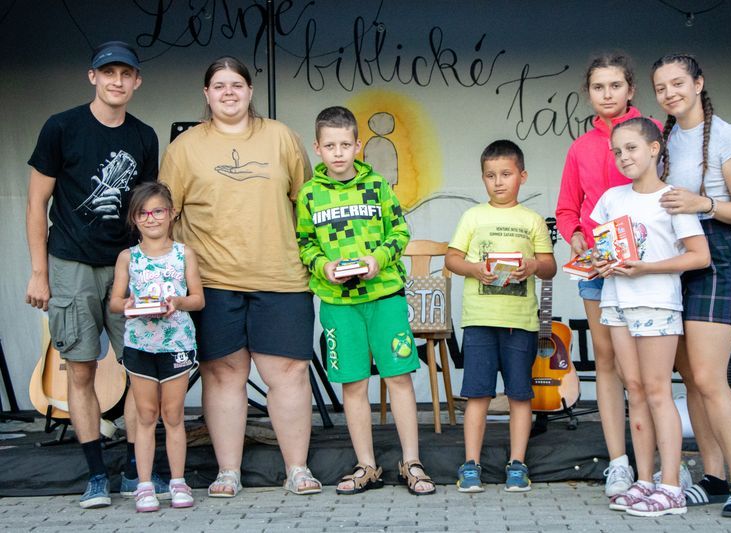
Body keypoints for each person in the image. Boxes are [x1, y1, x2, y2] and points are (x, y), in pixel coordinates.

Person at [158, 56, 320, 497]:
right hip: (212, 280)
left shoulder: (281, 137)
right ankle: (227, 472)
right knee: (224, 374)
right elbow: (166, 216)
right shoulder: (184, 148)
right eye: (219, 85)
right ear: (206, 94)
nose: (228, 92)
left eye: (236, 85)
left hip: (281, 277)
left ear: (250, 91)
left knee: (289, 372)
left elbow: (307, 202)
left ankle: (297, 469)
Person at [24, 41, 165, 508]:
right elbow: (36, 204)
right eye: (108, 73)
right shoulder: (61, 127)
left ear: (137, 81)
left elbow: (148, 209)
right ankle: (96, 476)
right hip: (71, 263)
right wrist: (39, 273)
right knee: (81, 368)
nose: (117, 81)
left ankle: (136, 471)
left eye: (125, 74)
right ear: (93, 77)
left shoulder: (144, 136)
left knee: (140, 368)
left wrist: (157, 266)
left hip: (128, 265)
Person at [296, 106, 435, 496]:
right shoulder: (309, 194)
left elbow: (400, 232)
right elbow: (304, 243)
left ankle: (412, 462)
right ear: (317, 148)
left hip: (384, 296)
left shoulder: (377, 186)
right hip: (339, 304)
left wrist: (378, 259)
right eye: (330, 146)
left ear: (358, 146)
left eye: (345, 145)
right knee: (353, 384)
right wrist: (323, 266)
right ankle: (367, 466)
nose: (338, 153)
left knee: (399, 378)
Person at [652, 54, 731, 518]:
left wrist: (704, 203)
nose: (670, 93)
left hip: (715, 253)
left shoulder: (727, 135)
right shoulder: (663, 138)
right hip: (673, 254)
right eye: (661, 87)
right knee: (691, 378)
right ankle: (713, 477)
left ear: (698, 84)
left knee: (711, 377)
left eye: (678, 83)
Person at [592, 118, 710, 517]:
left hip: (657, 303)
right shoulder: (611, 198)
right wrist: (598, 263)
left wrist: (647, 268)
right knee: (635, 390)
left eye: (631, 148)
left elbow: (699, 256)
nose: (624, 157)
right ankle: (644, 481)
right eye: (617, 151)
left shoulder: (672, 199)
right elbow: (601, 250)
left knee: (658, 391)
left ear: (655, 148)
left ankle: (671, 485)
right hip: (617, 303)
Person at [555, 53, 660, 497]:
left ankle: (659, 462)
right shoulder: (580, 147)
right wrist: (576, 235)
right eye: (598, 87)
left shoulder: (654, 132)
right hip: (598, 267)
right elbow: (567, 209)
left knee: (653, 366)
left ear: (631, 89)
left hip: (649, 265)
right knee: (608, 360)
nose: (607, 94)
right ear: (588, 93)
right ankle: (618, 462)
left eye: (615, 85)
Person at [446, 140, 556, 493]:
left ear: (522, 176)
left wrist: (533, 265)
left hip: (520, 322)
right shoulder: (473, 216)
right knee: (477, 393)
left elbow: (550, 267)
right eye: (490, 175)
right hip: (479, 319)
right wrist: (474, 269)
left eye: (506, 174)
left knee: (519, 394)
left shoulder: (532, 220)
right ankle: (471, 464)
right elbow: (451, 258)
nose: (498, 182)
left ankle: (517, 464)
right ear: (483, 178)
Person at [108, 182, 204, 512]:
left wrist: (177, 301)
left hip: (176, 343)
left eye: (158, 211)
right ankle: (144, 485)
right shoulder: (128, 257)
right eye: (143, 213)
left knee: (173, 415)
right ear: (134, 218)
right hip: (139, 345)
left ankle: (178, 481)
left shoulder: (184, 254)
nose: (151, 219)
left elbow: (198, 299)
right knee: (146, 415)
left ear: (172, 213)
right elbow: (115, 303)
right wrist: (129, 304)